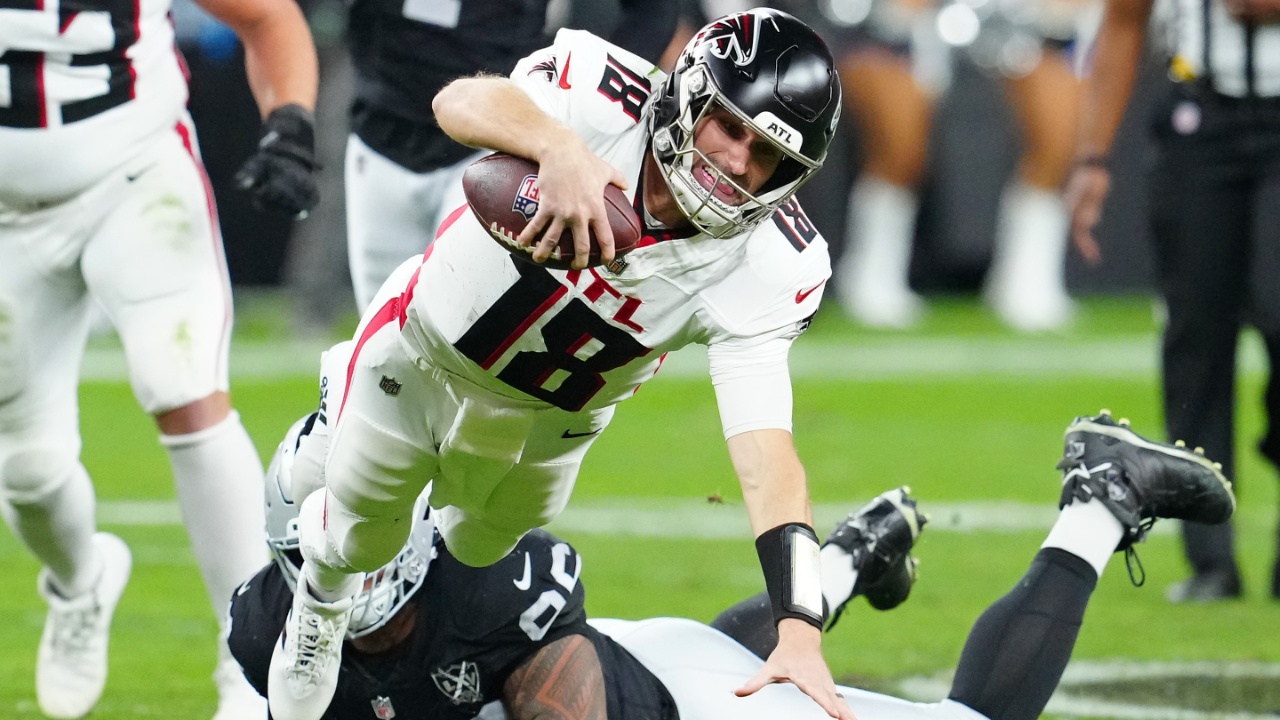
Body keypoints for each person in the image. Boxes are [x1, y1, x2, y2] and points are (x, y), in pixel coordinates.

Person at [267, 8, 852, 719]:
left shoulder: (770, 263)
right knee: (364, 530)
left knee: (476, 548)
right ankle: (320, 603)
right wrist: (555, 146)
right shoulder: (598, 91)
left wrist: (799, 628)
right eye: (731, 127)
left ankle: (350, 434)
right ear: (691, 93)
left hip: (556, 422)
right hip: (426, 354)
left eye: (768, 157)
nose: (737, 163)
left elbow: (767, 454)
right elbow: (457, 102)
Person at [230, 408, 1235, 719]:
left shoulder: (489, 588)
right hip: (661, 661)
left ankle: (1100, 501)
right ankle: (849, 560)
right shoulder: (265, 620)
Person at [0, 0, 320, 715]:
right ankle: (81, 582)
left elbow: (270, 19)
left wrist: (289, 127)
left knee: (185, 390)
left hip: (134, 176)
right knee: (29, 470)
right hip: (4, 219)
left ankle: (248, 666)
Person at [1065, 0, 1280, 601]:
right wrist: (1092, 158)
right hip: (1200, 120)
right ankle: (1209, 557)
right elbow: (1124, 21)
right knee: (1196, 333)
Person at [344, 0, 679, 311]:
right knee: (379, 337)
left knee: (466, 320)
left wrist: (600, 103)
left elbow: (653, 10)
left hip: (501, 140)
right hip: (379, 130)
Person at [829, 0, 1092, 331]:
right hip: (896, 24)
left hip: (1037, 22)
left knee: (1058, 148)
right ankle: (870, 278)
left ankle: (1027, 282)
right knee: (901, 153)